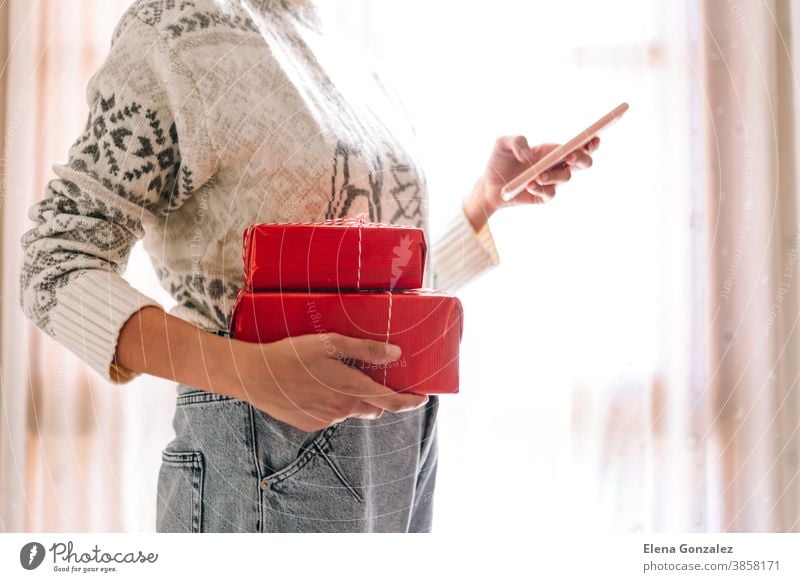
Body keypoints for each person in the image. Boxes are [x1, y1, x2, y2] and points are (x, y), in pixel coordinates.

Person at [19, 0, 598, 533]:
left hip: (401, 449)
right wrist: (244, 370)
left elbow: (365, 295)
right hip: (264, 449)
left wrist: (485, 201)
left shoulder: (352, 60)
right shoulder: (173, 33)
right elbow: (55, 262)